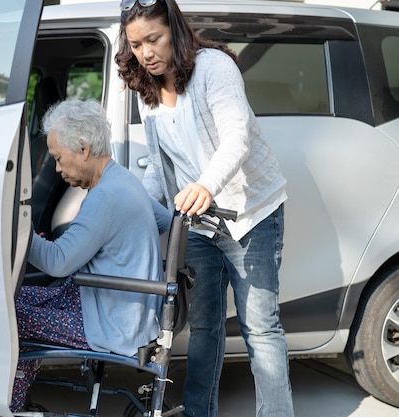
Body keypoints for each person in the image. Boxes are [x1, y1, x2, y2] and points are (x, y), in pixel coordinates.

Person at [0, 98, 171, 417]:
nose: (57, 168)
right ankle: (2, 403)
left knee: (5, 312)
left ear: (83, 148)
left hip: (109, 324)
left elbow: (58, 262)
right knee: (11, 298)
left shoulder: (105, 197)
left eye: (58, 158)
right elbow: (165, 220)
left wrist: (20, 228)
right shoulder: (122, 180)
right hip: (115, 307)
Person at [115, 1, 294, 417]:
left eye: (153, 39)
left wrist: (205, 185)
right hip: (200, 225)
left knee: (261, 330)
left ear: (175, 29)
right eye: (137, 44)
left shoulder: (215, 67)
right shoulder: (148, 91)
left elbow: (237, 137)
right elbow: (162, 169)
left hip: (252, 215)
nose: (147, 53)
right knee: (204, 329)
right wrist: (135, 211)